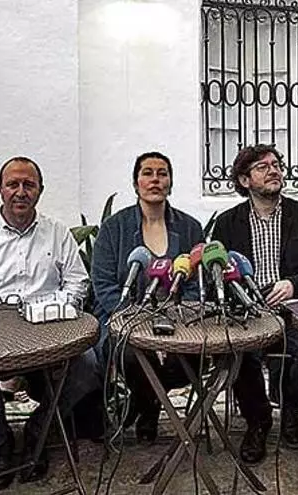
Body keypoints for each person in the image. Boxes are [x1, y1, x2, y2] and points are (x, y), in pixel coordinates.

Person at [0, 156, 100, 491]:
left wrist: (49, 310)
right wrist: (11, 318)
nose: (20, 191)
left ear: (40, 190)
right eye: (13, 184)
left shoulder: (58, 233)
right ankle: (0, 443)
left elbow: (77, 282)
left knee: (87, 365)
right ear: (0, 189)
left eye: (28, 185)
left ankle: (39, 431)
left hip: (49, 331)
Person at [211, 144, 298, 464]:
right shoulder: (227, 223)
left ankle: (291, 406)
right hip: (249, 311)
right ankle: (258, 420)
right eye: (263, 167)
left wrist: (293, 284)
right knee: (240, 354)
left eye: (276, 164)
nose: (274, 170)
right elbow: (216, 275)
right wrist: (238, 294)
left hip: (296, 310)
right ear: (244, 180)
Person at [92, 151, 203, 443]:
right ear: (136, 183)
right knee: (131, 354)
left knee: (191, 356)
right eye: (147, 173)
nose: (155, 180)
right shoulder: (114, 228)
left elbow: (195, 282)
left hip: (179, 321)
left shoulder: (190, 227)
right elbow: (103, 284)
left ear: (170, 183)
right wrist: (137, 318)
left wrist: (180, 316)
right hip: (123, 319)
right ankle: (150, 406)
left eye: (162, 173)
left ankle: (144, 403)